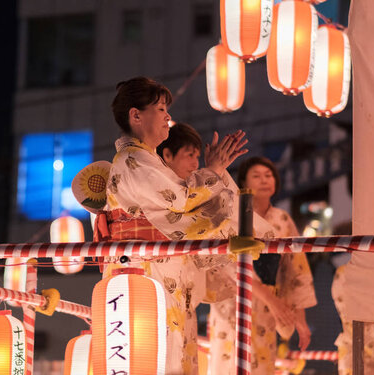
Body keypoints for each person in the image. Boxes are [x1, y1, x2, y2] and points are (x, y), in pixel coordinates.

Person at [99, 76, 251, 375]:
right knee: (155, 353)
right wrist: (215, 170)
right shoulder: (133, 160)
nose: (167, 116)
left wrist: (214, 171)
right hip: (142, 269)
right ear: (136, 115)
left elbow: (181, 202)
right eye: (160, 108)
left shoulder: (145, 160)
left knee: (170, 349)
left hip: (158, 266)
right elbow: (181, 201)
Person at [208, 156, 317, 375]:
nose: (264, 180)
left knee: (263, 365)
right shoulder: (231, 216)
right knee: (228, 360)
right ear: (244, 183)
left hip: (269, 305)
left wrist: (300, 320)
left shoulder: (282, 219)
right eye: (256, 176)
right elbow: (227, 266)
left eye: (268, 175)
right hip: (233, 299)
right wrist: (273, 301)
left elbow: (297, 269)